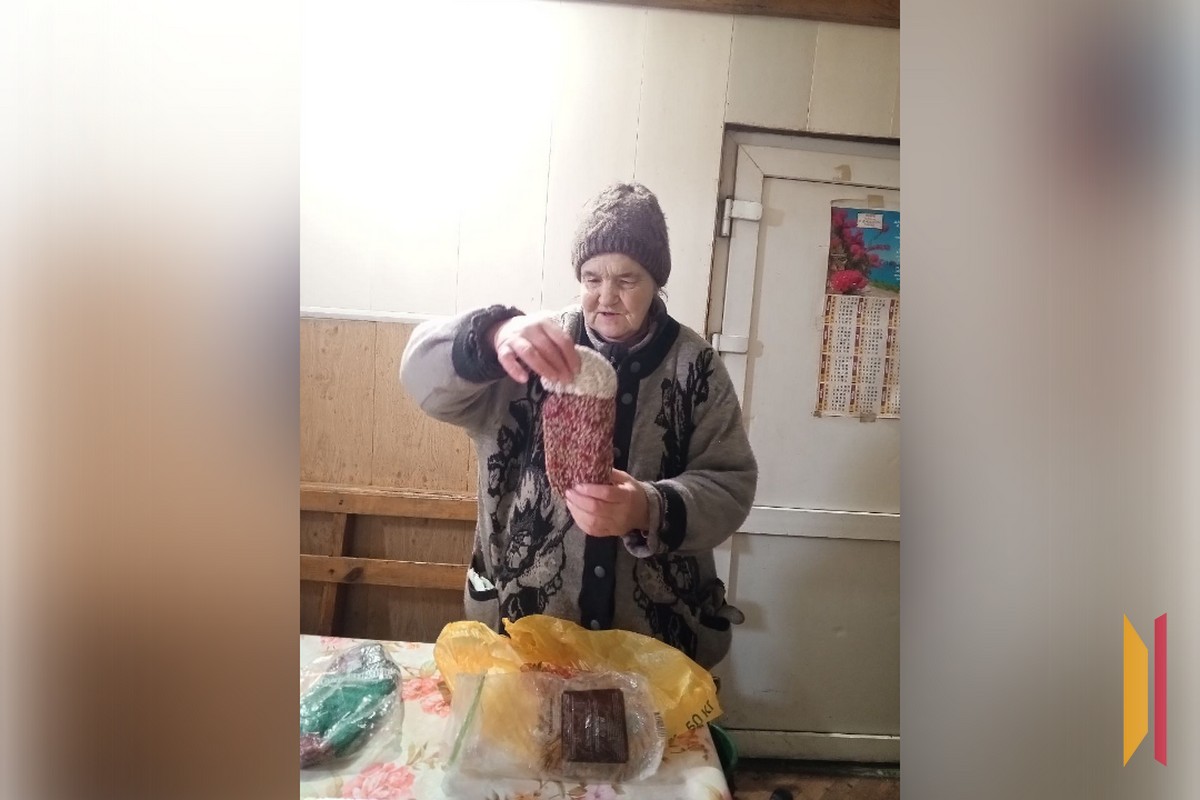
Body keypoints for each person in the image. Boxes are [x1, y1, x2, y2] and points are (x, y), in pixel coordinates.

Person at [400, 183, 757, 668]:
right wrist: (492, 333)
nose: (606, 297)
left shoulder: (696, 367)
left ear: (656, 282)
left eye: (627, 279)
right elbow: (418, 375)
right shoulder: (530, 349)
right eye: (592, 278)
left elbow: (731, 485)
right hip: (524, 634)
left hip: (653, 645)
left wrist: (646, 508)